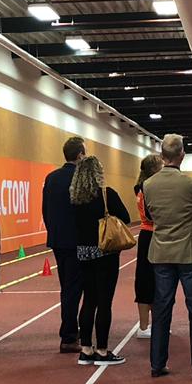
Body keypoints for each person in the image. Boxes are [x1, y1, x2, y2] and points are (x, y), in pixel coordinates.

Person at [142, 134, 192, 380]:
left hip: (162, 252)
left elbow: (150, 215)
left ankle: (157, 363)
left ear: (162, 155)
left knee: (162, 308)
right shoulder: (191, 184)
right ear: (182, 155)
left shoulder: (148, 185)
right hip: (190, 254)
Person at [69, 155, 129, 366]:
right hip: (105, 253)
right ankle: (102, 351)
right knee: (104, 302)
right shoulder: (107, 194)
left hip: (83, 253)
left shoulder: (75, 199)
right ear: (98, 173)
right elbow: (125, 217)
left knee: (89, 300)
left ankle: (86, 349)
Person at [41, 136, 87, 354]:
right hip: (78, 240)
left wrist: (53, 231)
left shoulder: (51, 178)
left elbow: (45, 209)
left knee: (67, 287)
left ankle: (71, 331)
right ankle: (69, 335)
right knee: (76, 289)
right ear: (80, 155)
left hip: (59, 240)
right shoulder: (81, 178)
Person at [131, 153, 163, 339]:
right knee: (148, 281)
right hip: (152, 235)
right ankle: (144, 327)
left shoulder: (142, 186)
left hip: (151, 235)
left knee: (158, 281)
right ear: (155, 169)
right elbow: (153, 215)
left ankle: (156, 324)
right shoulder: (147, 188)